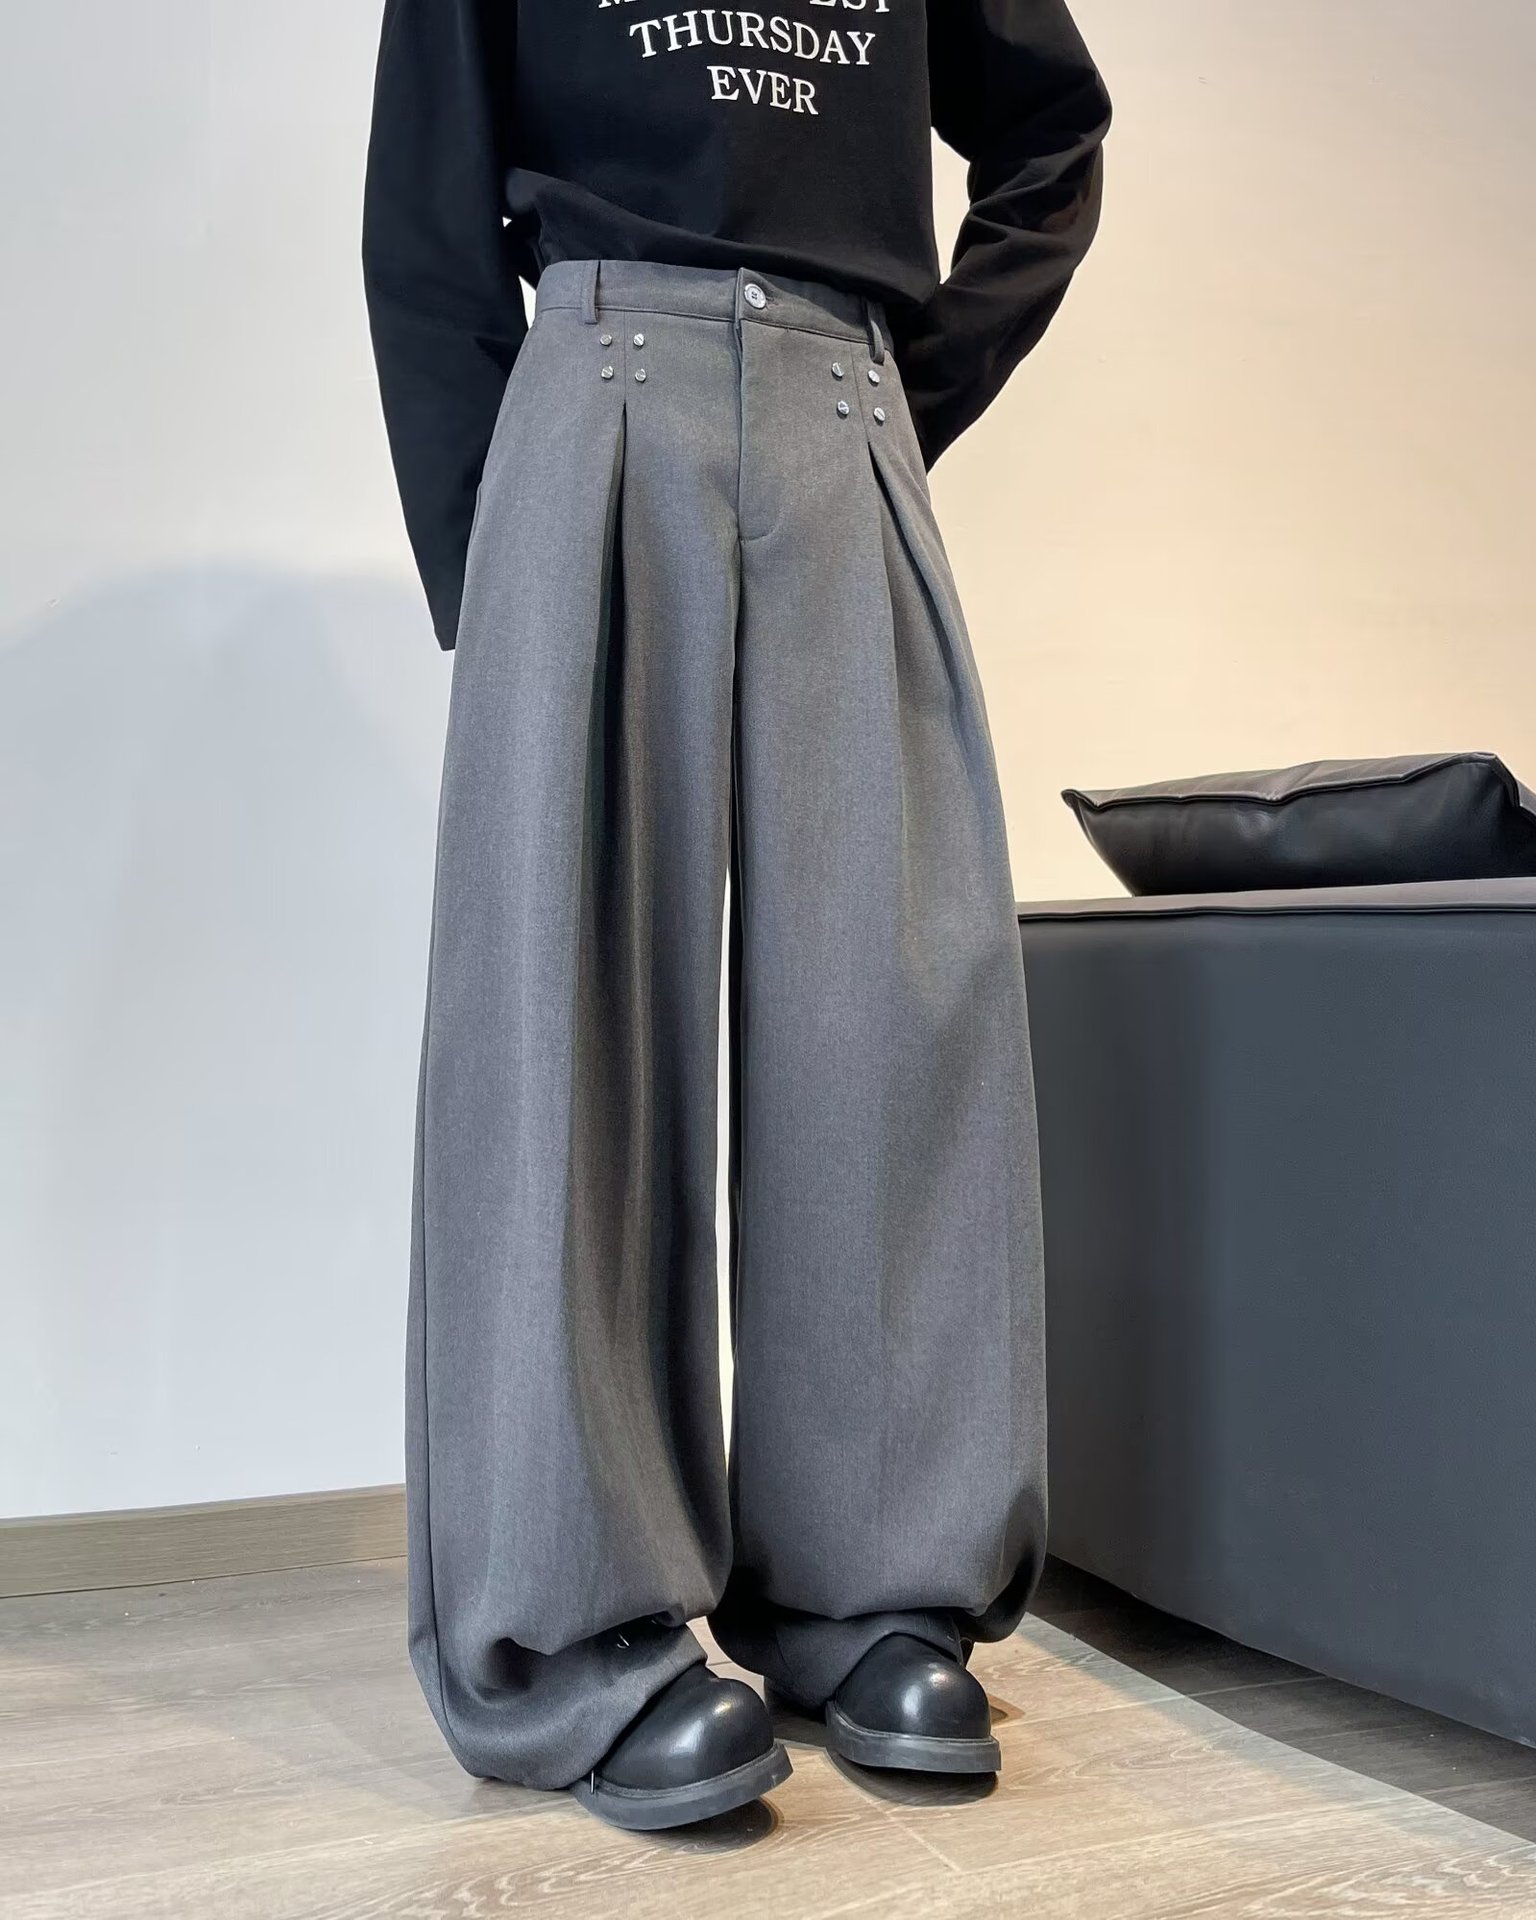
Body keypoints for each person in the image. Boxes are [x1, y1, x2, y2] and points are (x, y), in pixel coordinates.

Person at [362, 0, 1110, 1833]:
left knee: (891, 1007)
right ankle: (575, 1620)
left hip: (846, 395)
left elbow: (1051, 130)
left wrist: (904, 394)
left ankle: (872, 1589)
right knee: (572, 1014)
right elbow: (426, 212)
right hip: (596, 380)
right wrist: (496, 550)